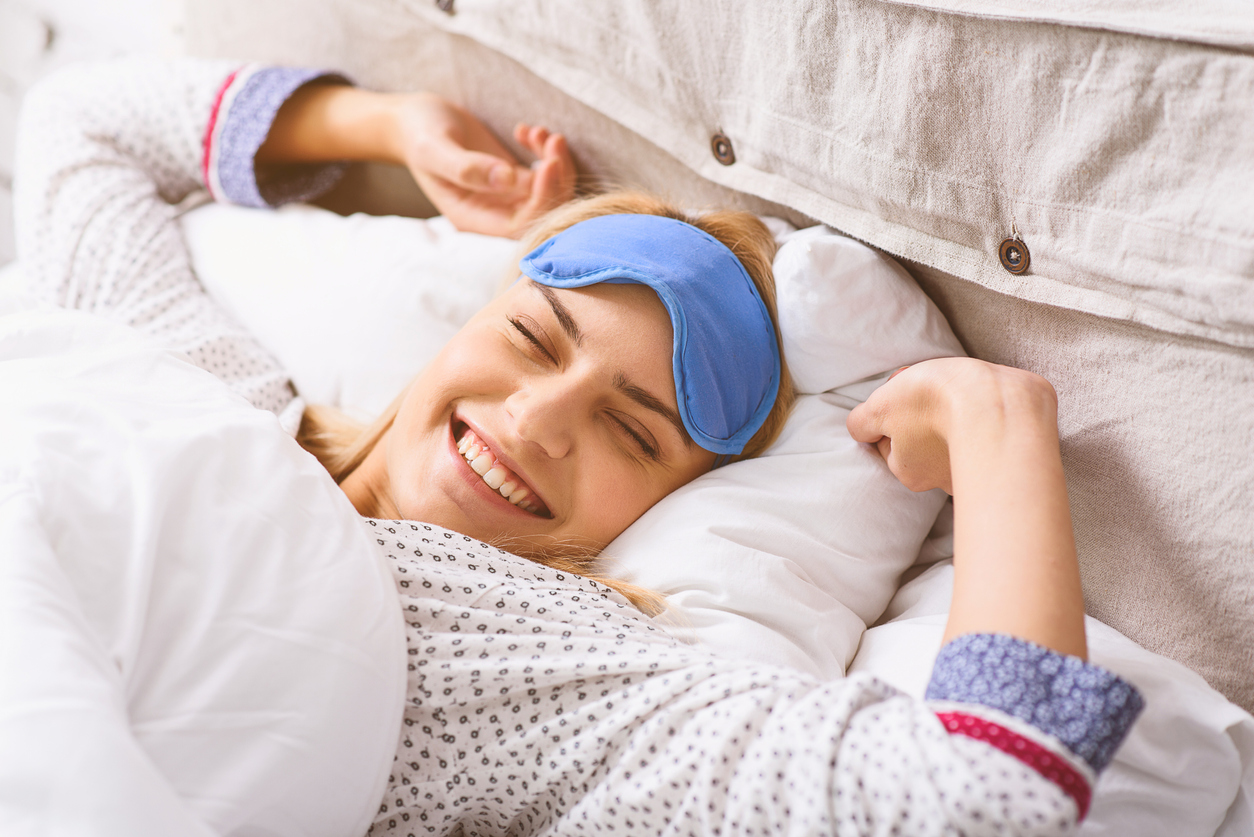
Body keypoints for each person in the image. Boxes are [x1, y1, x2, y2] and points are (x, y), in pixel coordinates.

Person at [13, 57, 1142, 836]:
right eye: (530, 340)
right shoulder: (219, 390)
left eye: (631, 432)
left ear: (665, 506)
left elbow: (978, 797)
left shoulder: (537, 660)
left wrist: (1000, 433)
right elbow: (80, 127)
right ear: (471, 319)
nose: (539, 422)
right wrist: (392, 125)